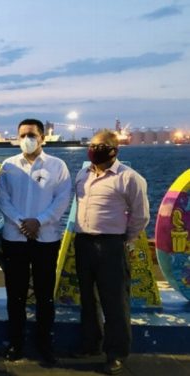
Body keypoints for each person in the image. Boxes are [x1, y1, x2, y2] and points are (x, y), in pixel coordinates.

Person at [73, 130, 149, 375]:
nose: (95, 149)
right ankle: (90, 344)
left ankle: (116, 353)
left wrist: (123, 238)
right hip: (83, 242)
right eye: (93, 144)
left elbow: (140, 216)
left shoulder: (129, 178)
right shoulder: (81, 175)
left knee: (115, 301)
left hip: (111, 245)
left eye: (101, 145)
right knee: (87, 298)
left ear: (114, 150)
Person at [0, 118, 72, 364]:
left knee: (44, 294)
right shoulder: (8, 165)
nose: (26, 139)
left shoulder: (57, 166)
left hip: (46, 239)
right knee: (15, 295)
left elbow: (62, 200)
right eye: (22, 135)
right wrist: (22, 222)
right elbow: (2, 199)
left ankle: (44, 344)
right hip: (14, 239)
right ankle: (15, 343)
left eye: (31, 134)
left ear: (42, 137)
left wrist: (39, 221)